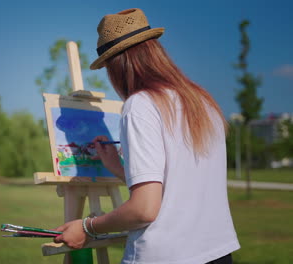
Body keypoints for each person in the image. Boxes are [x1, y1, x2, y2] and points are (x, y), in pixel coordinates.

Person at [53, 8, 240, 264]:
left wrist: (87, 227)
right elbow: (177, 185)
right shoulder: (202, 102)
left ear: (118, 64)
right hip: (216, 253)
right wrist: (120, 169)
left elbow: (144, 209)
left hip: (165, 256)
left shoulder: (141, 105)